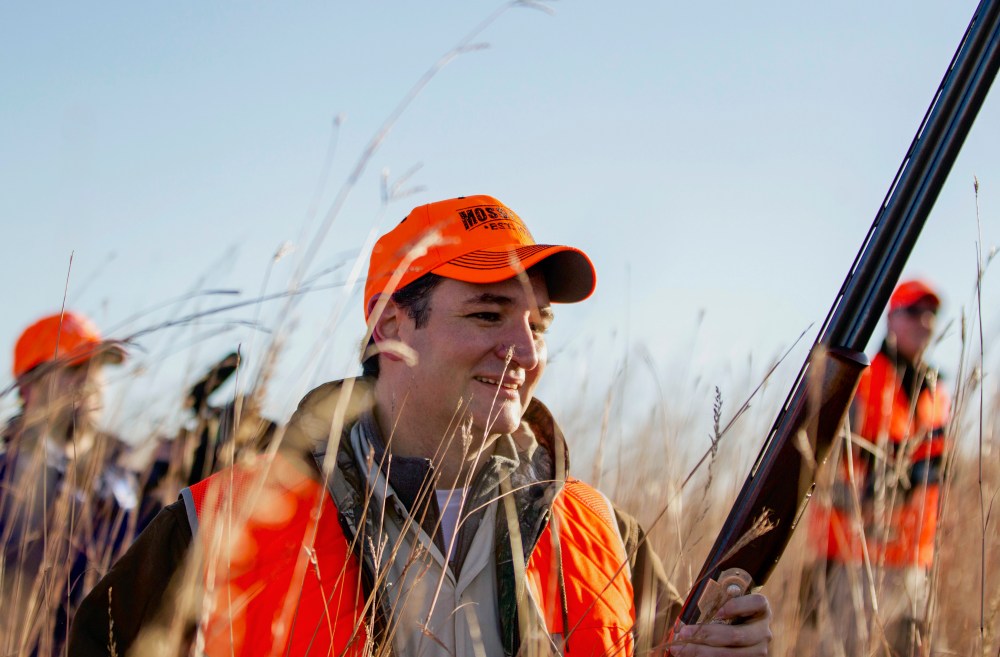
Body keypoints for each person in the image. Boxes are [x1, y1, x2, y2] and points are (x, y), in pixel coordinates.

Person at [70, 195, 773, 656]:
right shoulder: (220, 524)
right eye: (487, 314)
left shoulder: (600, 532)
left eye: (538, 323)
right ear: (388, 326)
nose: (524, 351)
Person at [807, 279, 950, 656]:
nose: (926, 323)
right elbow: (817, 470)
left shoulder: (938, 391)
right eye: (915, 313)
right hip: (857, 563)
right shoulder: (860, 382)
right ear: (890, 320)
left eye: (932, 314)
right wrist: (879, 489)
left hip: (915, 562)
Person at [0, 311, 140, 656]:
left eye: (97, 368)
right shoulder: (5, 483)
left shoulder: (124, 484)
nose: (90, 381)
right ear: (27, 387)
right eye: (75, 368)